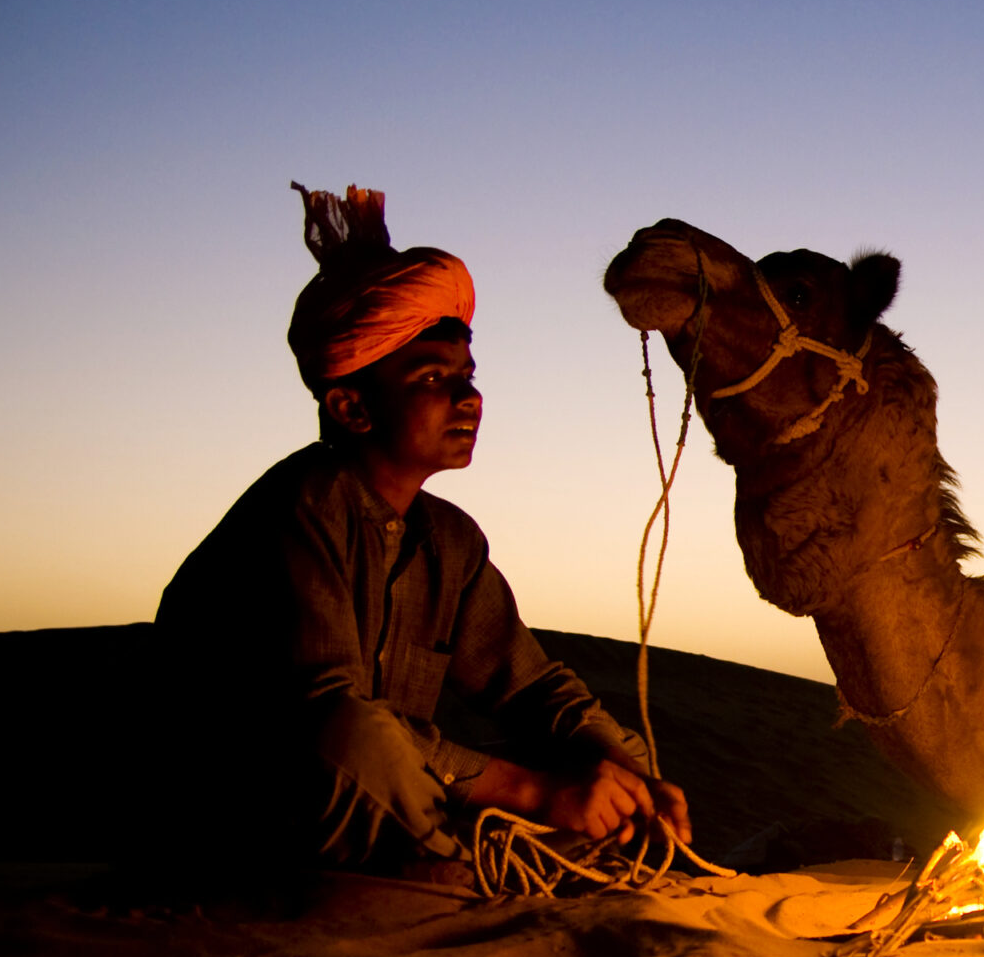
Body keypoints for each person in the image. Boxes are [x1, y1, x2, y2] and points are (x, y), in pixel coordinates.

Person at [156, 183, 690, 872]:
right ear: (351, 407)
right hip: (251, 823)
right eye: (434, 378)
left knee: (597, 777)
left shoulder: (449, 542)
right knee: (354, 735)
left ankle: (463, 872)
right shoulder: (299, 510)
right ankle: (446, 883)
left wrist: (627, 773)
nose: (469, 398)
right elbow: (333, 722)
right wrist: (536, 790)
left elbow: (530, 688)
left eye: (468, 375)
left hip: (391, 810)